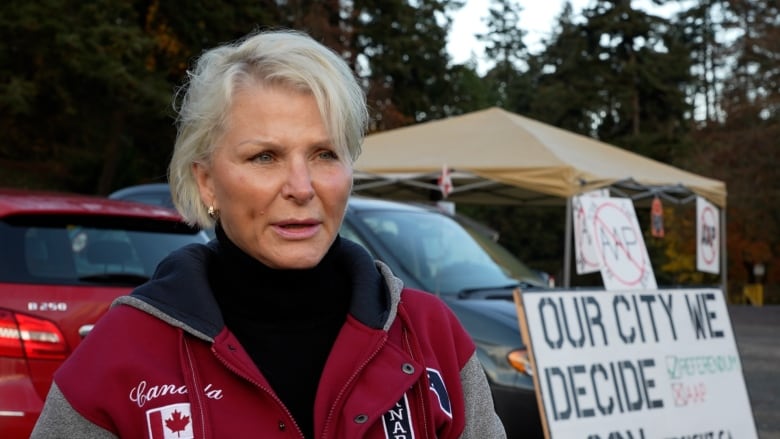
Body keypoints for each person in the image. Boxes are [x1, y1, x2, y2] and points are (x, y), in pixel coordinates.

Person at [31, 29, 507, 439]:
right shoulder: (120, 352)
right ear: (205, 180)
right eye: (264, 157)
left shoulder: (429, 335)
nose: (302, 188)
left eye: (324, 154)